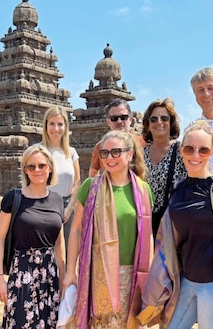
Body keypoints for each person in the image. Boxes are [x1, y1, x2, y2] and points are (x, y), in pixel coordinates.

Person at [139, 121, 213, 328]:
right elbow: (170, 237)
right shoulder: (178, 189)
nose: (195, 155)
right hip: (186, 281)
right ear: (181, 150)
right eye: (189, 148)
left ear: (211, 153)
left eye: (203, 150)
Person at [64, 130, 154, 328]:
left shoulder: (143, 190)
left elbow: (148, 236)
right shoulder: (90, 186)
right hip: (98, 272)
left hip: (134, 275)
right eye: (104, 153)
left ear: (129, 154)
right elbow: (77, 230)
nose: (109, 158)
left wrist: (151, 275)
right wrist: (70, 270)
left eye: (116, 152)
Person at [0, 144, 66, 328]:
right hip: (22, 274)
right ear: (25, 170)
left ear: (50, 167)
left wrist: (64, 279)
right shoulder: (14, 197)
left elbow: (59, 242)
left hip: (50, 275)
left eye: (41, 165)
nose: (37, 170)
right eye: (31, 166)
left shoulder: (57, 200)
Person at [141, 97, 187, 237]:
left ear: (171, 122)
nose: (159, 122)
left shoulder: (182, 151)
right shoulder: (141, 155)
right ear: (147, 125)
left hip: (174, 225)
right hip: (146, 226)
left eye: (164, 118)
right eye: (153, 119)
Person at [39, 106, 80, 251]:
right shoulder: (37, 151)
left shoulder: (72, 153)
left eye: (60, 124)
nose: (56, 129)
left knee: (68, 256)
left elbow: (77, 182)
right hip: (42, 206)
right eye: (52, 123)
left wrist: (69, 209)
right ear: (45, 125)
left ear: (66, 126)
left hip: (67, 208)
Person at [88, 99, 146, 177]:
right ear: (108, 122)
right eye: (114, 118)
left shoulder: (143, 143)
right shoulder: (101, 146)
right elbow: (93, 173)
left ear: (130, 119)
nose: (119, 121)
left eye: (123, 117)